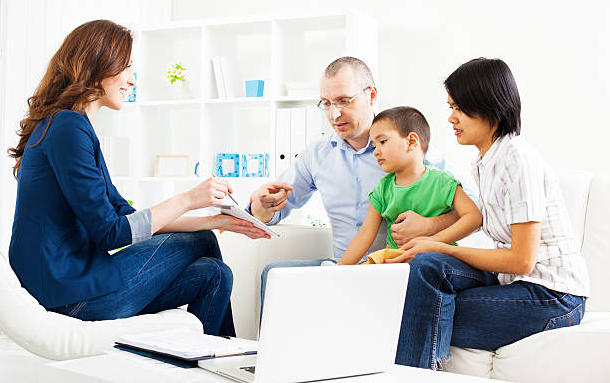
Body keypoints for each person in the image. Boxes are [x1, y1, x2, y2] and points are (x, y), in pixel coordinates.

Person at [7, 20, 268, 336]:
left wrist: (216, 221)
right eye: (126, 68)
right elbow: (111, 233)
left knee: (215, 274)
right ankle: (233, 362)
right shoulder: (67, 128)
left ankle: (212, 364)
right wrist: (188, 199)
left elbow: (126, 218)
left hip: (72, 287)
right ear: (97, 64)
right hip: (69, 296)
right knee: (203, 244)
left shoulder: (71, 128)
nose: (132, 80)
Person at [387, 58, 590, 369]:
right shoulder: (486, 162)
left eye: (458, 108)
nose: (451, 118)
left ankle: (409, 374)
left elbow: (522, 259)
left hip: (554, 298)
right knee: (427, 267)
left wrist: (438, 244)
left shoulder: (517, 161)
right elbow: (473, 219)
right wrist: (426, 243)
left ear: (488, 106)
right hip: (516, 283)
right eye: (450, 106)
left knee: (418, 309)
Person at [249, 56, 477, 307]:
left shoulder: (408, 150)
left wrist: (430, 225)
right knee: (275, 275)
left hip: (396, 268)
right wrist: (261, 208)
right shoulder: (316, 156)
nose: (335, 113)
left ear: (371, 96)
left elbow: (475, 209)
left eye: (344, 101)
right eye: (326, 103)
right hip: (344, 264)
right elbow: (273, 209)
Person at [338, 106, 481, 265]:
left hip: (435, 261)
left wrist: (433, 242)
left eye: (383, 142)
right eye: (374, 145)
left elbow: (473, 218)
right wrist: (341, 268)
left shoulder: (442, 181)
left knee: (425, 265)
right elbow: (365, 233)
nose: (376, 151)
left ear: (412, 142)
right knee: (367, 270)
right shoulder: (382, 189)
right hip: (397, 262)